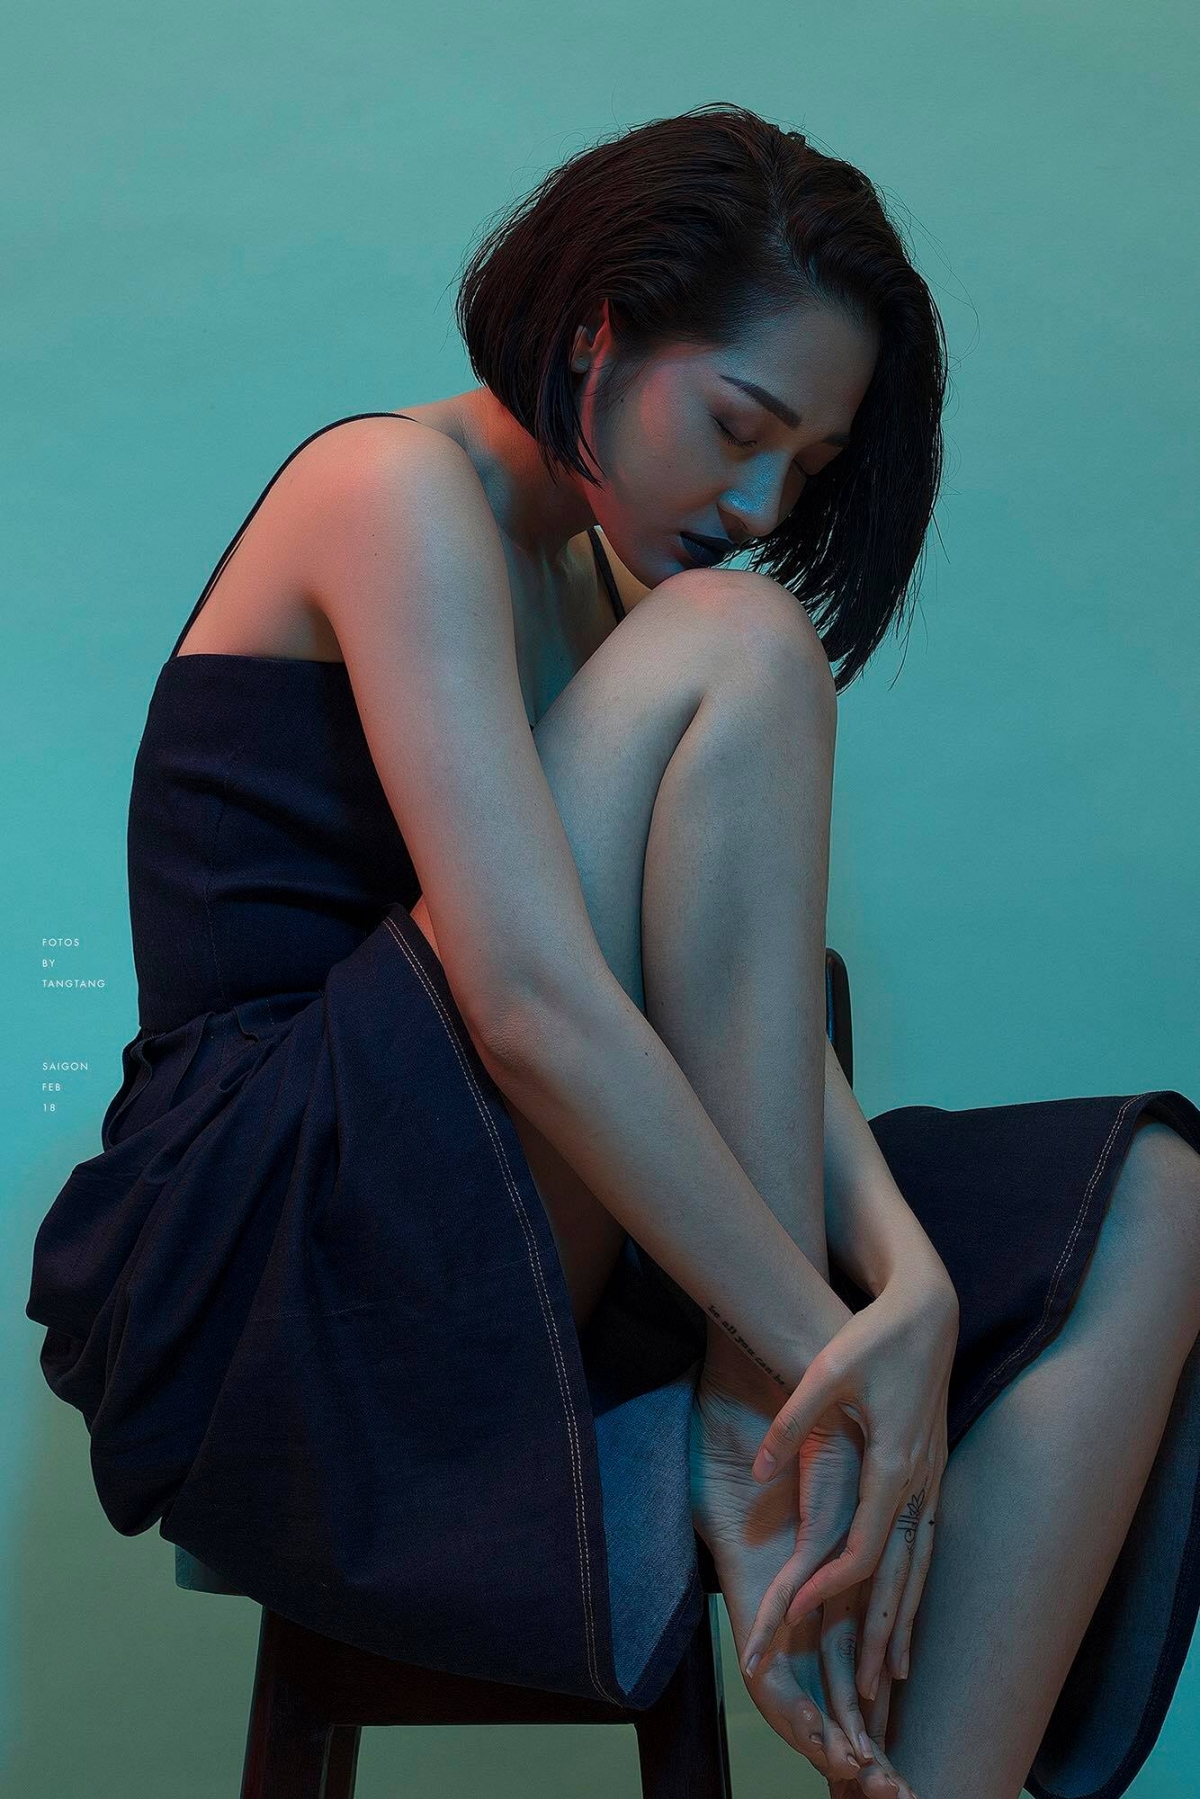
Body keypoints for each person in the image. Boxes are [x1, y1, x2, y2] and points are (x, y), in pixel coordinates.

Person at [25, 102, 1200, 1799]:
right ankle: (751, 1403)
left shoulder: (608, 598)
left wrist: (909, 1287)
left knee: (1155, 1203)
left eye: (808, 466)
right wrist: (808, 1345)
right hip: (277, 1251)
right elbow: (528, 1001)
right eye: (741, 425)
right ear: (598, 331)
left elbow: (734, 1002)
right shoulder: (388, 489)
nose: (763, 499)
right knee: (748, 638)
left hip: (526, 1223)